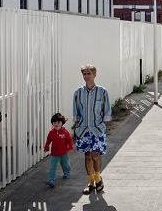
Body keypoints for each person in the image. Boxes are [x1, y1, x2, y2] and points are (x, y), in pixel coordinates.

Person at [73, 64, 112, 194]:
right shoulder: (78, 93)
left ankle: (98, 178)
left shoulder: (102, 91)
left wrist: (105, 126)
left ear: (94, 74)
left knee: (96, 155)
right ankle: (91, 183)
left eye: (88, 73)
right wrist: (76, 126)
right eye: (84, 74)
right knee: (88, 156)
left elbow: (107, 110)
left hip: (97, 129)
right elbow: (76, 112)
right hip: (83, 129)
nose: (86, 76)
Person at [44, 113, 73, 187]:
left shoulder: (65, 132)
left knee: (65, 164)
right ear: (52, 123)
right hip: (55, 153)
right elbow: (48, 141)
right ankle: (51, 179)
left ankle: (67, 172)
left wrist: (70, 146)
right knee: (52, 166)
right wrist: (46, 147)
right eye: (55, 122)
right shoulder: (51, 133)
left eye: (59, 122)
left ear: (62, 123)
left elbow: (69, 140)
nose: (56, 124)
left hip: (64, 152)